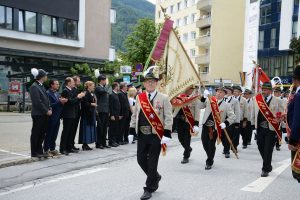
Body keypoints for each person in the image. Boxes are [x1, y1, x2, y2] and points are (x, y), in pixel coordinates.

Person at [129, 66, 173, 200]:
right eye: (148, 81)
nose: (150, 83)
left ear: (156, 83)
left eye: (153, 81)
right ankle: (155, 176)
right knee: (140, 159)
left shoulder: (164, 98)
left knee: (153, 161)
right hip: (142, 134)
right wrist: (131, 130)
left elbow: (169, 116)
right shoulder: (140, 97)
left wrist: (167, 133)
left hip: (156, 135)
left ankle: (149, 188)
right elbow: (135, 115)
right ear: (144, 83)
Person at [252, 82, 284, 177]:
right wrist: (254, 127)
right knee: (260, 147)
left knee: (268, 149)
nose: (263, 91)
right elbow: (254, 114)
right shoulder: (258, 100)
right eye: (263, 89)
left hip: (271, 129)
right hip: (260, 128)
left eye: (265, 90)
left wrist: (279, 117)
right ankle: (268, 165)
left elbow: (282, 113)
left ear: (270, 91)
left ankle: (265, 169)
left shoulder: (277, 100)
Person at [200, 87, 236, 170]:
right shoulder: (209, 100)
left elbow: (233, 116)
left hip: (215, 128)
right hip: (206, 125)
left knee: (211, 144)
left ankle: (209, 161)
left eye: (221, 92)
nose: (219, 93)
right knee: (204, 143)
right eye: (218, 92)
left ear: (224, 94)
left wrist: (225, 123)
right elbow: (200, 106)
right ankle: (210, 155)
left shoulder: (226, 105)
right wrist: (203, 97)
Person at [173, 85, 200, 164]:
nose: (189, 90)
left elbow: (197, 112)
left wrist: (196, 123)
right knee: (180, 138)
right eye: (188, 89)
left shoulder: (195, 99)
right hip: (179, 120)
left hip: (189, 122)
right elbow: (174, 107)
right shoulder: (179, 97)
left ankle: (186, 156)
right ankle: (188, 149)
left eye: (191, 89)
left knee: (187, 139)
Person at [29, 69, 52, 158]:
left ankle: (39, 150)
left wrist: (49, 108)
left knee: (42, 133)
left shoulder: (41, 86)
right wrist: (46, 111)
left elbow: (46, 100)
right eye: (46, 75)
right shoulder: (34, 86)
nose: (47, 77)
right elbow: (37, 102)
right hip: (38, 114)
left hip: (44, 114)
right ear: (42, 76)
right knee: (36, 133)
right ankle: (34, 152)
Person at [60, 77, 85, 155]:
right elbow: (71, 102)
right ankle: (63, 148)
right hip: (67, 114)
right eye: (72, 82)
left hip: (72, 113)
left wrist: (78, 97)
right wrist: (78, 97)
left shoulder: (70, 90)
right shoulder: (65, 91)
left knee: (70, 132)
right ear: (68, 83)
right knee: (66, 132)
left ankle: (68, 147)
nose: (74, 83)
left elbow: (72, 101)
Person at [43, 80, 67, 156]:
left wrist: (63, 102)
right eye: (56, 84)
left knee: (55, 133)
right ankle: (46, 149)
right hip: (51, 117)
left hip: (57, 116)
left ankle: (52, 148)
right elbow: (49, 105)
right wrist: (59, 102)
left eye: (58, 84)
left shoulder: (57, 93)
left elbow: (59, 104)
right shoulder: (48, 93)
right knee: (49, 133)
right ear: (51, 85)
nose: (58, 85)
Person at [287, 65, 300, 183]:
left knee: (297, 173)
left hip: (298, 139)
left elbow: (297, 119)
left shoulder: (299, 95)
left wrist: (292, 140)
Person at [78, 81, 97, 150]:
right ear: (88, 86)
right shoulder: (85, 93)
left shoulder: (91, 93)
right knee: (86, 129)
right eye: (93, 85)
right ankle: (84, 144)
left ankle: (86, 144)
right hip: (86, 114)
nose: (94, 87)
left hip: (90, 113)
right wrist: (92, 104)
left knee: (89, 128)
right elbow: (84, 103)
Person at [223, 86, 240, 158]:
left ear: (231, 92)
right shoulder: (222, 99)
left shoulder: (235, 101)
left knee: (228, 136)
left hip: (231, 121)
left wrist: (237, 123)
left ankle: (227, 151)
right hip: (222, 120)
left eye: (228, 90)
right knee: (223, 137)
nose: (226, 91)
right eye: (225, 90)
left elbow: (237, 112)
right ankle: (225, 147)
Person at [95, 74, 111, 149]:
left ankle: (104, 143)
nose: (106, 82)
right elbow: (104, 91)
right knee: (100, 127)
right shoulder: (98, 88)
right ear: (101, 81)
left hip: (106, 110)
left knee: (105, 127)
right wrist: (107, 85)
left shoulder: (104, 88)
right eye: (105, 80)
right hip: (101, 110)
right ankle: (99, 143)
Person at [70, 76, 82, 151]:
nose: (79, 82)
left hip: (77, 112)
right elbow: (73, 101)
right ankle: (70, 145)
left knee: (74, 130)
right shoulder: (73, 90)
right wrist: (79, 97)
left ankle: (72, 144)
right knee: (71, 130)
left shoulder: (76, 89)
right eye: (78, 81)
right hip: (73, 112)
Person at [108, 82, 121, 147]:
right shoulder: (111, 94)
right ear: (115, 87)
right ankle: (111, 142)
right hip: (113, 114)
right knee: (112, 128)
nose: (119, 87)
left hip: (117, 114)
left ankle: (114, 141)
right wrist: (112, 115)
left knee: (116, 128)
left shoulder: (116, 94)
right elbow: (111, 106)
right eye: (118, 86)